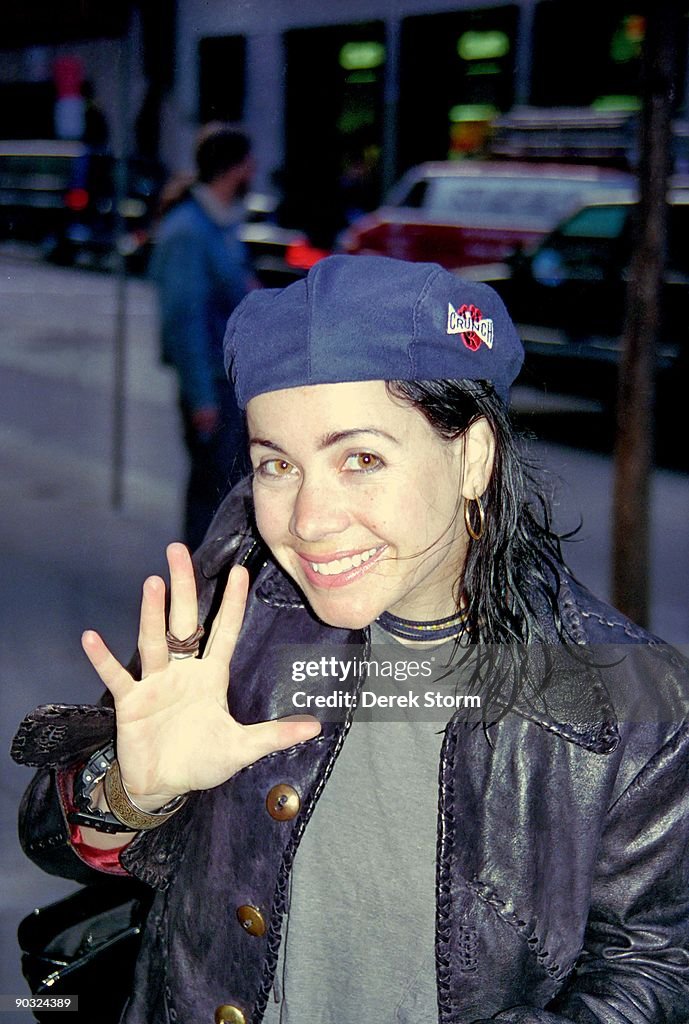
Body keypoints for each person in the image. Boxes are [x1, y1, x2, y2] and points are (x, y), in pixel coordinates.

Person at [14, 256, 689, 1024]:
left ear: (473, 457)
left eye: (360, 459)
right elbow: (49, 837)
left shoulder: (627, 700)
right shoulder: (234, 615)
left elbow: (655, 965)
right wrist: (132, 792)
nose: (307, 519)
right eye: (276, 465)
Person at [150, 125, 257, 550]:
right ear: (233, 168)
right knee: (212, 498)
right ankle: (199, 594)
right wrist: (202, 400)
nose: (254, 171)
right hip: (211, 384)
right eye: (250, 163)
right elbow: (185, 320)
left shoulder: (216, 224)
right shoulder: (191, 232)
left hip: (224, 380)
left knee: (220, 491)